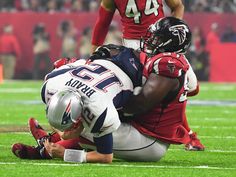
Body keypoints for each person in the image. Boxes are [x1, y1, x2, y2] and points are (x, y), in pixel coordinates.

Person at [12, 17, 203, 163]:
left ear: (173, 42)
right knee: (91, 115)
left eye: (158, 38)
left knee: (89, 117)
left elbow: (139, 105)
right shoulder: (176, 62)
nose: (151, 40)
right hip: (142, 126)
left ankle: (47, 149)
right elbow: (193, 89)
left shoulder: (167, 64)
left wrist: (110, 100)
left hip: (149, 139)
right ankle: (50, 141)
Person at [91, 0, 203, 150]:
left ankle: (182, 131)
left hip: (162, 40)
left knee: (191, 86)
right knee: (141, 92)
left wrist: (173, 34)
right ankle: (187, 134)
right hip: (134, 46)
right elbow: (103, 21)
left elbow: (178, 6)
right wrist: (94, 50)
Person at [91, 0, 184, 51]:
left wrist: (173, 31)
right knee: (142, 81)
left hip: (160, 38)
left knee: (190, 82)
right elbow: (103, 23)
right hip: (133, 43)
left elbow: (178, 6)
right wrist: (93, 52)